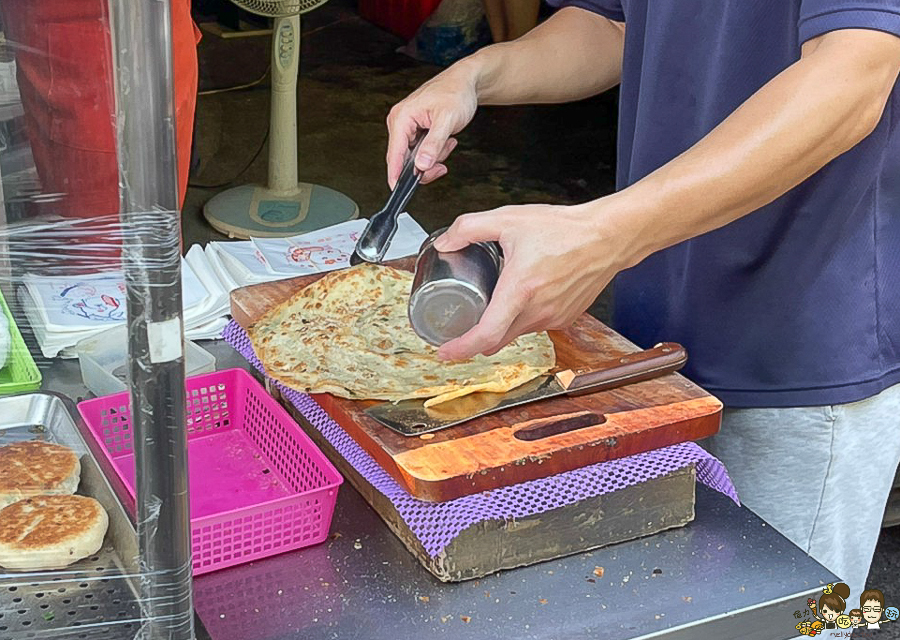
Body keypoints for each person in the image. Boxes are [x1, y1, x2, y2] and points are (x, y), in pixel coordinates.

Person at [385, 1, 900, 598]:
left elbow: (854, 74)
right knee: (650, 606)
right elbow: (612, 24)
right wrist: (475, 75)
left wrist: (604, 235)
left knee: (783, 621)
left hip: (797, 349)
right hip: (648, 340)